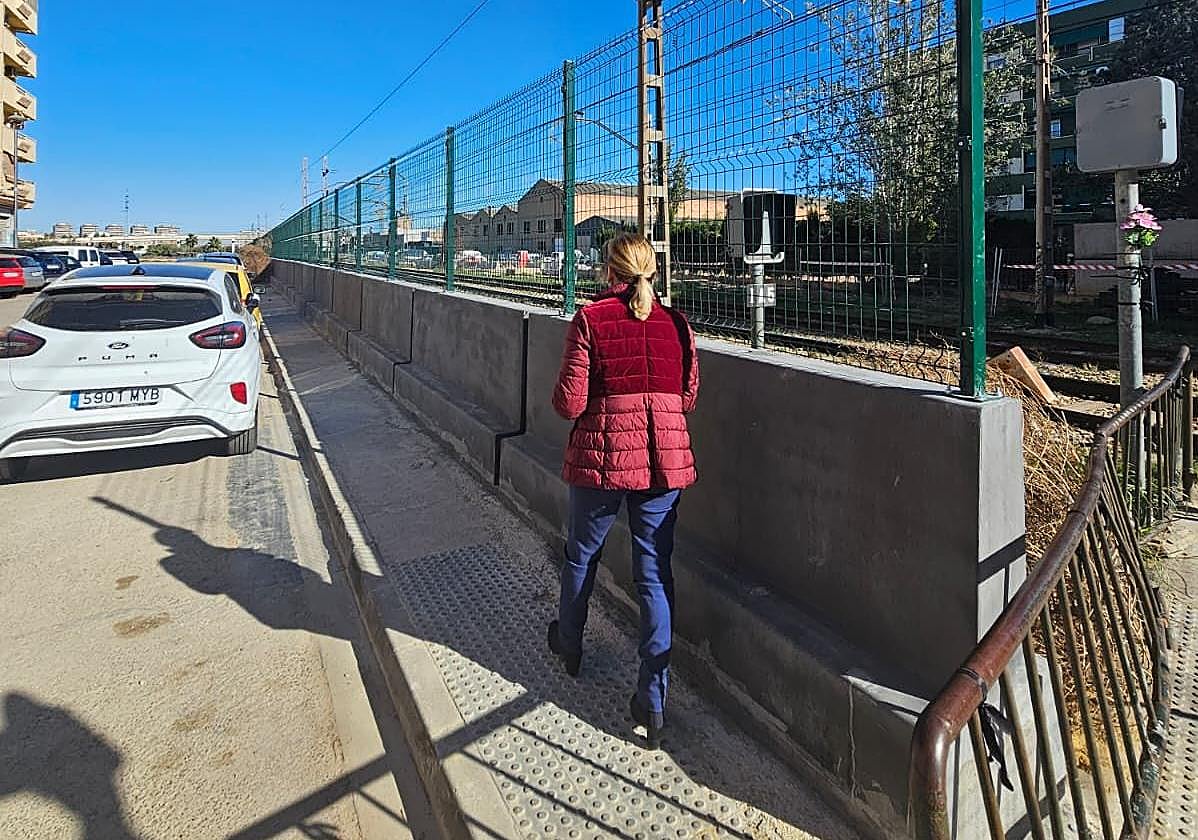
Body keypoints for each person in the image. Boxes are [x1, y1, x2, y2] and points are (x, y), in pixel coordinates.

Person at [546, 232, 700, 749]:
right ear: (652, 272)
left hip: (604, 462)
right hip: (664, 465)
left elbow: (569, 403)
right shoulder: (677, 325)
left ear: (608, 271)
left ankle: (568, 644)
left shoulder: (591, 320)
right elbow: (688, 395)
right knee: (654, 575)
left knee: (581, 557)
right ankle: (652, 701)